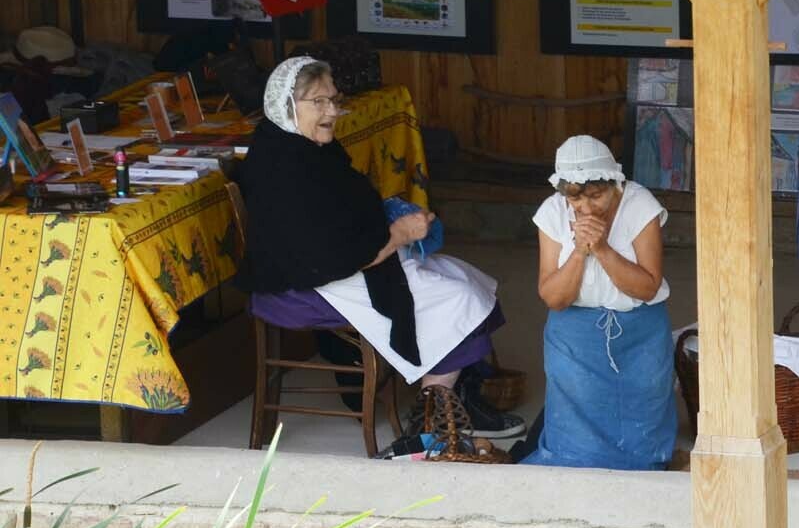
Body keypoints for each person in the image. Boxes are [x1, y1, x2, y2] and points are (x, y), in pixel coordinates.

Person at [236, 56, 521, 442]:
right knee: (459, 300)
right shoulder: (285, 168)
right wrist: (400, 233)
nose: (332, 112)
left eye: (334, 100)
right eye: (318, 102)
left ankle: (459, 402)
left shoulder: (308, 148)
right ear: (285, 106)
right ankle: (430, 428)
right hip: (304, 286)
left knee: (466, 278)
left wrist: (392, 217)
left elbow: (345, 216)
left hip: (339, 265)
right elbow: (330, 257)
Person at [517, 136, 676, 470]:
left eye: (596, 195)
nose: (587, 208)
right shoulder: (551, 213)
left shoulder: (640, 205)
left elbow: (647, 287)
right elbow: (553, 297)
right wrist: (579, 251)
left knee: (640, 428)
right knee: (575, 441)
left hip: (639, 336)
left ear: (614, 183)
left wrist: (602, 248)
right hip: (574, 338)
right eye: (575, 199)